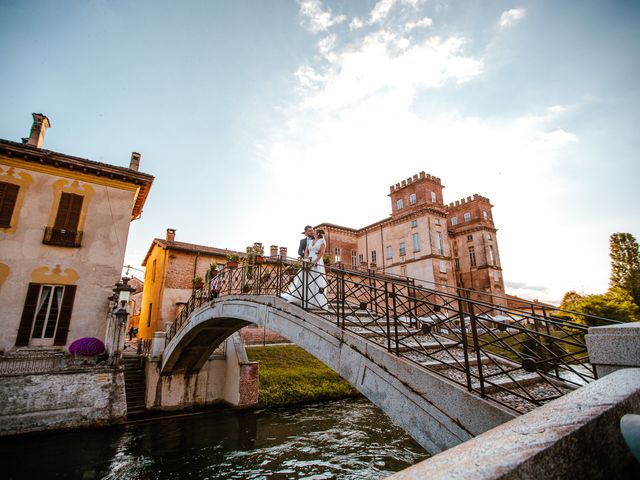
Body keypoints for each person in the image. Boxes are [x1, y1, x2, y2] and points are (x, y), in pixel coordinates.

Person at [305, 229, 328, 309]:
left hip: (317, 260)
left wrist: (315, 261)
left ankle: (316, 301)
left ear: (317, 233)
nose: (312, 232)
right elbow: (306, 251)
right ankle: (306, 298)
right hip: (309, 259)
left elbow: (322, 252)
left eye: (314, 231)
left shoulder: (322, 241)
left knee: (316, 278)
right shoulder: (310, 241)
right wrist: (306, 259)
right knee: (308, 279)